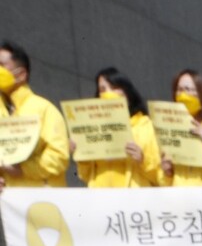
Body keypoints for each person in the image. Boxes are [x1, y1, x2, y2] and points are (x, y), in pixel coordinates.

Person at [0, 41, 70, 192]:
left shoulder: (44, 109)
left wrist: (24, 170)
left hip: (39, 204)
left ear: (21, 75)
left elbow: (59, 157)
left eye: (1, 65)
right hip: (7, 205)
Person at [75, 67, 161, 188]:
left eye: (114, 87)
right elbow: (85, 176)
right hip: (101, 200)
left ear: (127, 93)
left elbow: (160, 177)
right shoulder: (94, 128)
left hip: (134, 202)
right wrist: (82, 156)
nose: (108, 93)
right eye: (102, 89)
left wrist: (142, 161)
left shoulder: (145, 126)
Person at [160, 68, 202, 187]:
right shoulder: (169, 133)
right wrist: (167, 173)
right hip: (178, 202)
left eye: (188, 89)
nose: (183, 94)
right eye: (179, 90)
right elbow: (163, 185)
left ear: (201, 94)